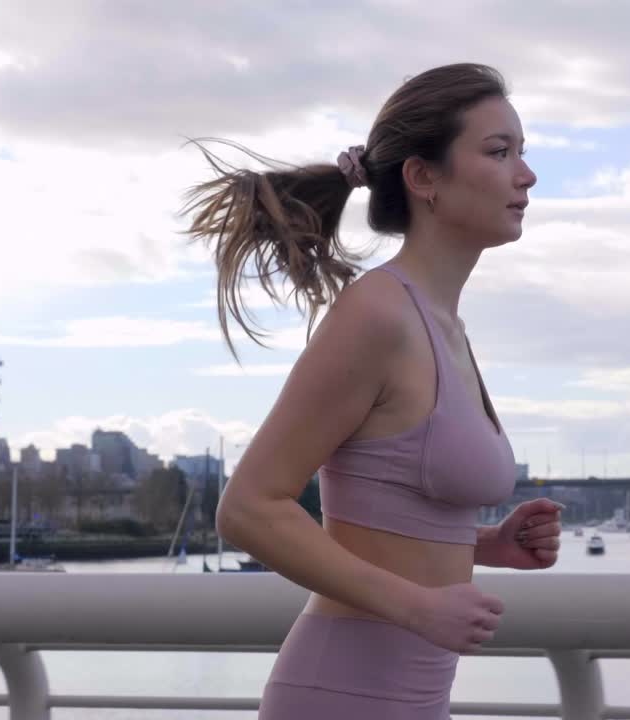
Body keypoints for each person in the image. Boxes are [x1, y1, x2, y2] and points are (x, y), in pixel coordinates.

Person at [184, 63, 564, 719]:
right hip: (342, 696)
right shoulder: (378, 316)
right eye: (499, 152)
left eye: (521, 153)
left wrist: (483, 546)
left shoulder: (441, 323)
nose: (526, 175)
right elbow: (247, 508)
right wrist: (418, 606)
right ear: (423, 178)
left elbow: (382, 518)